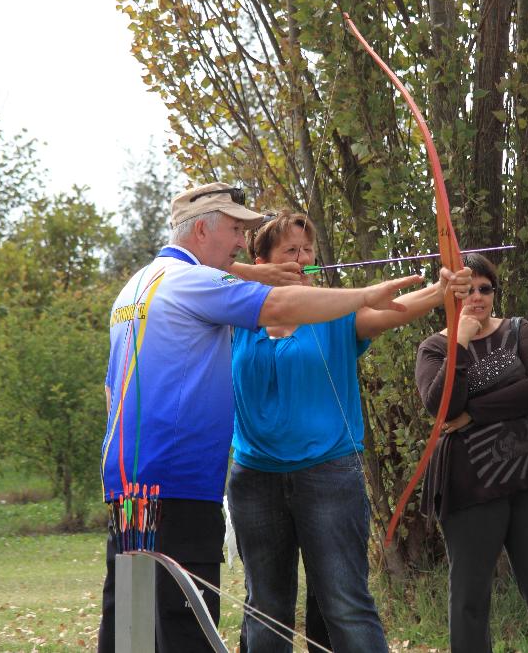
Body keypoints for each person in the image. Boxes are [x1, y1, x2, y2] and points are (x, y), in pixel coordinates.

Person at [95, 182, 428, 653]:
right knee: (183, 624)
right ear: (204, 228)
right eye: (234, 228)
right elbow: (277, 305)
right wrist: (364, 294)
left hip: (131, 484)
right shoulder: (193, 283)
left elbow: (112, 392)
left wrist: (262, 271)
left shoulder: (139, 285)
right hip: (180, 482)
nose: (238, 242)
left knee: (130, 622)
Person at [228, 211, 471, 653]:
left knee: (345, 603)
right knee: (265, 607)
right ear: (262, 257)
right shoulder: (236, 314)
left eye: (307, 251)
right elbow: (190, 267)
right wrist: (252, 275)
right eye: (290, 252)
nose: (301, 260)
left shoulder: (334, 312)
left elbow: (392, 311)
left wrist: (441, 292)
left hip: (328, 474)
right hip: (254, 479)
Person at [414, 253, 528, 653]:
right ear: (449, 294)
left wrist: (474, 413)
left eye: (485, 288)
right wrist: (460, 339)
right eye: (467, 289)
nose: (477, 297)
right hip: (470, 485)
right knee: (469, 598)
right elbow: (442, 408)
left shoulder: (519, 331)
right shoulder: (435, 349)